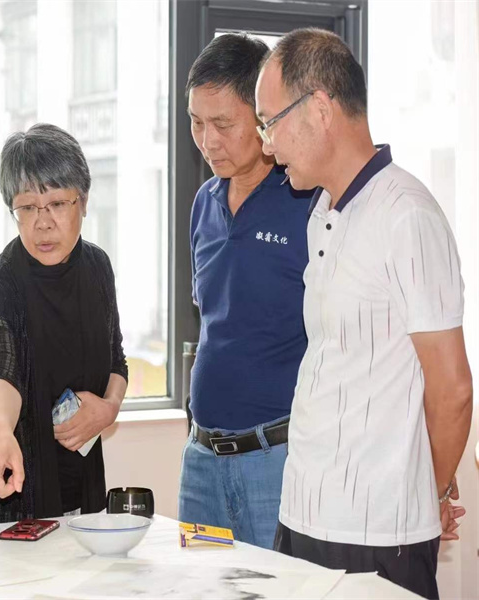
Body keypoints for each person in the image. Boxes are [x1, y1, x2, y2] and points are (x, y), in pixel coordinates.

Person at [255, 28, 472, 598]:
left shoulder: (407, 215)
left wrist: (429, 492)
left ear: (320, 108)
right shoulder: (321, 210)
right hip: (302, 513)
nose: (267, 146)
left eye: (269, 122)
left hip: (377, 533)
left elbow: (452, 389)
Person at [0, 123, 128, 526]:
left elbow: (116, 360)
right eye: (27, 208)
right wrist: (2, 434)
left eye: (57, 204)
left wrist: (109, 408)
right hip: (9, 486)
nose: (42, 223)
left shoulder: (98, 268)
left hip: (79, 481)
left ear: (83, 201)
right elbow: (1, 372)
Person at [178, 33, 313, 549]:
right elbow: (215, 324)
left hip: (275, 461)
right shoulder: (204, 203)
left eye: (223, 124)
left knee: (276, 585)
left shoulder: (306, 200)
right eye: (196, 122)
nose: (207, 141)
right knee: (200, 584)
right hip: (200, 463)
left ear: (262, 117)